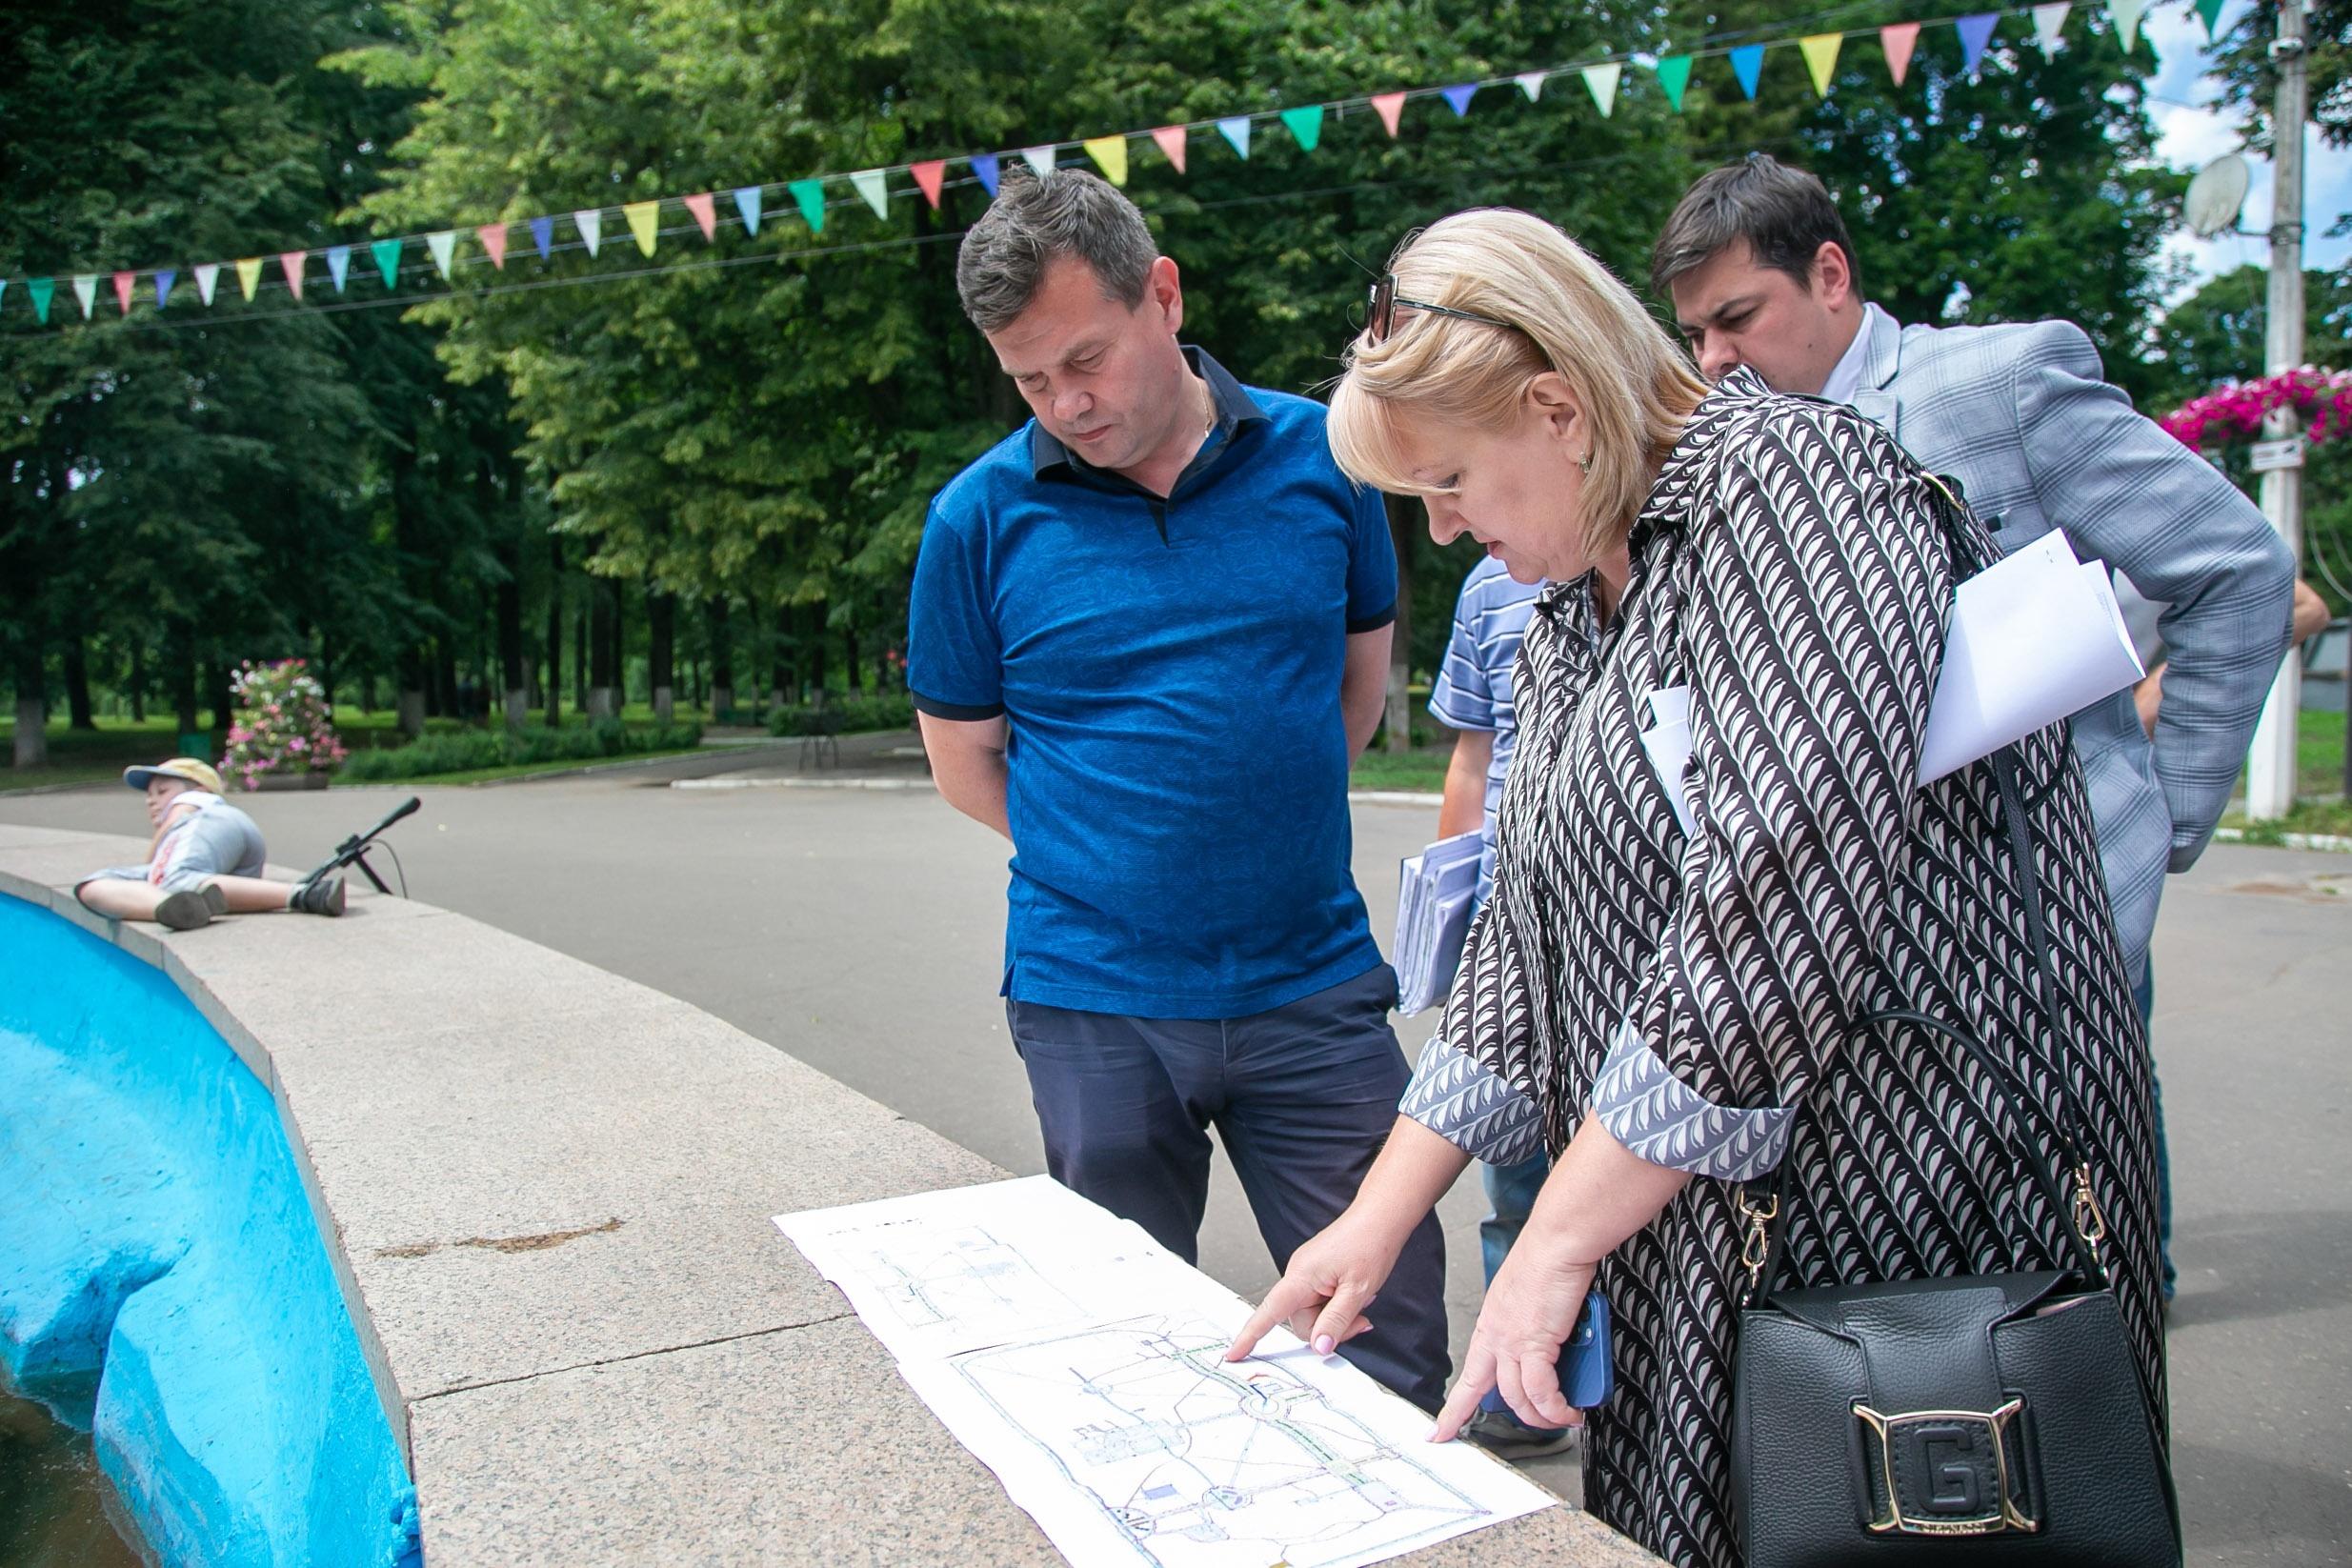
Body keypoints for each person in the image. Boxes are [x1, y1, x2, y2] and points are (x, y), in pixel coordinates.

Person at [1227, 209, 2164, 1568]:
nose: (1439, 530)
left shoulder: (1791, 485)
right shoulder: (1561, 605)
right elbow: (1525, 945)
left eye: (1448, 480)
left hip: (1905, 1206)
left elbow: (1779, 895)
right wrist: (1375, 1217)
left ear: (1557, 407)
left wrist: (1552, 1234)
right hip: (1688, 1217)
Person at [1653, 152, 2299, 1300]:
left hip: (2044, 936)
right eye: (1695, 332)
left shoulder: (2002, 382)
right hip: (1840, 944)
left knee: (2076, 1288)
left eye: (1736, 318)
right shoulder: (1727, 449)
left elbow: (2237, 570)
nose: (1713, 360)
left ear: (1832, 274)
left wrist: (2160, 817)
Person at [906, 169, 1449, 1409]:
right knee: (1123, 1358)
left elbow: (1352, 700)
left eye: (1086, 359)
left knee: (1389, 1338)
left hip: (1310, 983)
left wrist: (1254, 819)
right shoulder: (977, 520)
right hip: (1092, 1000)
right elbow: (963, 765)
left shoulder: (1328, 457)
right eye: (1032, 380)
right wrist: (1113, 855)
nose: (1068, 403)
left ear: (1162, 293)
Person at [1426, 555, 1566, 1457]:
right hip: (1512, 935)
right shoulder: (1488, 584)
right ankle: (1515, 1392)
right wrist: (1450, 914)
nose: (1441, 522)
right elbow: (1472, 758)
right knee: (1514, 1175)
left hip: (1634, 931)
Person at [75, 758, 345, 930]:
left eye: (162, 791)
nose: (151, 800)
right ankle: (172, 909)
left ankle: (308, 894)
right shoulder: (184, 844)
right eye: (148, 795)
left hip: (216, 822)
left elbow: (177, 821)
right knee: (91, 886)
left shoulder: (195, 805)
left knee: (173, 878)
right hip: (227, 847)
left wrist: (156, 858)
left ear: (199, 790)